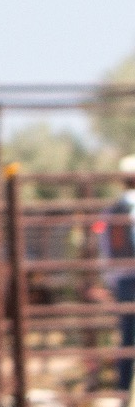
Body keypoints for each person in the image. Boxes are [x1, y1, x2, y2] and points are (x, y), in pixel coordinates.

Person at [89, 156, 135, 391]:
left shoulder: (112, 211)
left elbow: (105, 248)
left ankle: (124, 389)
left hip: (123, 280)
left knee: (127, 335)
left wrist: (110, 279)